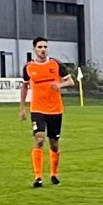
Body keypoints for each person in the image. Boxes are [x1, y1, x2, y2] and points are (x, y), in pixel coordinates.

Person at [19, 37, 75, 188]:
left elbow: (71, 81)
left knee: (54, 144)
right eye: (40, 47)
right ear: (34, 49)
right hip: (37, 109)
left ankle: (54, 174)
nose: (43, 49)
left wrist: (60, 84)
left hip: (55, 109)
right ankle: (38, 177)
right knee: (39, 139)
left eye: (45, 47)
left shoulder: (55, 64)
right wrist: (22, 107)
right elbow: (24, 87)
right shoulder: (28, 68)